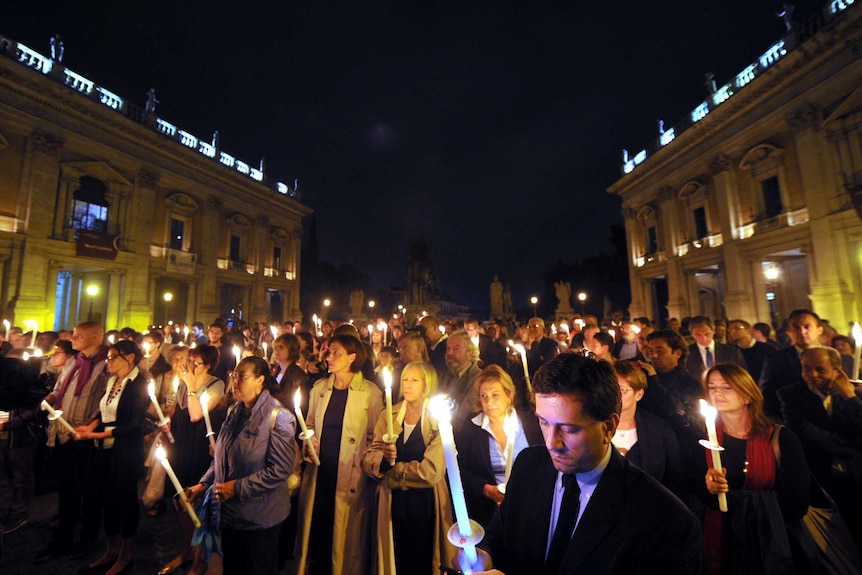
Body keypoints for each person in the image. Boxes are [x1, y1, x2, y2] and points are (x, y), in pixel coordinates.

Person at [462, 352, 701, 574]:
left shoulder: (664, 520)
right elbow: (499, 536)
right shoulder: (528, 466)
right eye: (544, 422)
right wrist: (484, 555)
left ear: (608, 427)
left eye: (568, 428)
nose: (551, 442)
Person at [187, 356, 296, 575]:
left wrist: (236, 487)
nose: (235, 382)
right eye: (234, 376)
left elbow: (280, 470)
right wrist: (203, 484)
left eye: (242, 377)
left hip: (260, 518)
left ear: (260, 380)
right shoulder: (234, 412)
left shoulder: (279, 417)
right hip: (231, 515)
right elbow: (223, 457)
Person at [701, 363, 810, 573]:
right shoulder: (703, 439)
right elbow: (697, 491)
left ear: (747, 395)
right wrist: (710, 489)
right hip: (724, 537)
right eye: (712, 387)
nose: (718, 393)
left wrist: (755, 511)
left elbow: (797, 502)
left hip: (770, 538)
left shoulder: (779, 438)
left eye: (727, 387)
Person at [295, 334, 383, 575]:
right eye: (328, 352)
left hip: (351, 477)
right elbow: (309, 424)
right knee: (319, 531)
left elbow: (375, 436)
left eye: (336, 353)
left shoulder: (370, 393)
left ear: (352, 358)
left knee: (346, 538)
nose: (329, 357)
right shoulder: (320, 388)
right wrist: (309, 441)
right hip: (320, 473)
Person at [363, 361, 455, 574]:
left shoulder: (437, 419)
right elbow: (370, 457)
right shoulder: (390, 415)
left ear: (426, 384)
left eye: (415, 380)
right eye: (405, 379)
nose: (408, 385)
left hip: (426, 504)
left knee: (423, 558)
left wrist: (393, 472)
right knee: (398, 556)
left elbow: (431, 471)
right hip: (394, 503)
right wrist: (384, 461)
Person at [34, 322, 109, 563]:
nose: (73, 339)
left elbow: (105, 400)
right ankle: (63, 536)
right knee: (66, 488)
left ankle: (89, 536)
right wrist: (51, 397)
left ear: (96, 337)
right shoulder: (72, 361)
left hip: (84, 436)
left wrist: (91, 423)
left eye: (79, 335)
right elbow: (59, 388)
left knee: (89, 489)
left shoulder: (106, 364)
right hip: (61, 433)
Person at [74, 340, 150, 575]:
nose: (108, 362)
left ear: (129, 358)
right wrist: (91, 425)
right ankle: (111, 549)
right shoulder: (112, 381)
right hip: (103, 450)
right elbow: (104, 411)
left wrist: (96, 433)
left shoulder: (140, 384)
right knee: (104, 498)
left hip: (125, 452)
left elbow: (135, 424)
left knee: (125, 500)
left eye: (112, 357)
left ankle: (126, 555)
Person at [778, 346, 862, 548]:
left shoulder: (855, 394)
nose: (812, 375)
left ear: (837, 370)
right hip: (820, 475)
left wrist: (850, 398)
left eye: (820, 370)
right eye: (807, 369)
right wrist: (852, 448)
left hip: (856, 475)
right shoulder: (790, 395)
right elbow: (805, 432)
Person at [157, 344, 226, 575]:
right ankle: (186, 549)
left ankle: (200, 557)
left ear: (207, 365)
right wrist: (167, 422)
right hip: (182, 444)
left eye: (195, 363)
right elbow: (178, 411)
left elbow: (197, 414)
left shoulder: (216, 384)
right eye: (189, 362)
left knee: (199, 502)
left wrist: (193, 385)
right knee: (181, 499)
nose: (189, 367)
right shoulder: (185, 383)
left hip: (200, 445)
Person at [455, 365, 543, 527]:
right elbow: (461, 471)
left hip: (531, 507)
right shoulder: (472, 428)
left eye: (495, 395)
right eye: (484, 396)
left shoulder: (531, 424)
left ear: (508, 395)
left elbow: (545, 465)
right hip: (489, 512)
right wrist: (487, 489)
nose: (489, 402)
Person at [611, 361, 685, 500]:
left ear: (638, 394)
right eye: (610, 388)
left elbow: (675, 477)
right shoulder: (593, 427)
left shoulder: (658, 429)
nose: (613, 395)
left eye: (621, 390)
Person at [760, 309, 824, 419]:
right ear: (789, 332)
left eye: (807, 326)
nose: (802, 332)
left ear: (819, 330)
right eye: (796, 327)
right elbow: (767, 396)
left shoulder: (837, 357)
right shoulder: (776, 360)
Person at [686, 316, 747, 383]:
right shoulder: (687, 353)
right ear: (691, 334)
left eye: (707, 334)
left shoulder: (732, 352)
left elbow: (743, 377)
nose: (704, 338)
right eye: (698, 335)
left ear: (713, 331)